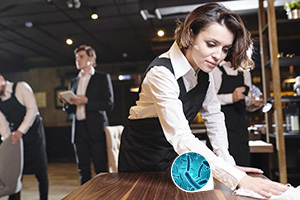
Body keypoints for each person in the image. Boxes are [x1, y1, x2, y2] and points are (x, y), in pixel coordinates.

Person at [118, 3, 288, 198]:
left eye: (225, 49)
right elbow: (181, 136)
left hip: (175, 158)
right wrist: (238, 178)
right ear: (191, 35)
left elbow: (214, 116)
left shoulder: (205, 75)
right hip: (141, 159)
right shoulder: (161, 73)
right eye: (211, 44)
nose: (218, 56)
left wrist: (228, 164)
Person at [62, 44, 114, 185]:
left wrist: (86, 101)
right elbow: (70, 111)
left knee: (101, 168)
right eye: (76, 57)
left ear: (91, 58)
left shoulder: (102, 78)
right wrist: (67, 104)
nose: (77, 60)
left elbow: (109, 104)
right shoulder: (73, 82)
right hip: (78, 129)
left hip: (96, 129)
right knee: (82, 169)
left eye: (81, 57)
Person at [0, 74, 48, 200]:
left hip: (34, 133)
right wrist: (9, 141)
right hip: (16, 136)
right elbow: (3, 124)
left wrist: (20, 131)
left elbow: (32, 110)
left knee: (41, 171)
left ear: (1, 79)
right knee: (15, 172)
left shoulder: (21, 87)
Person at [212, 60, 264, 166]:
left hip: (240, 131)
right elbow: (208, 101)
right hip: (220, 131)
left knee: (242, 166)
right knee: (221, 169)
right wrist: (231, 97)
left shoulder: (244, 72)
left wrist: (254, 104)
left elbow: (247, 101)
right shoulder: (214, 70)